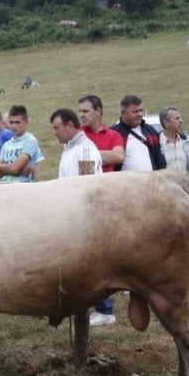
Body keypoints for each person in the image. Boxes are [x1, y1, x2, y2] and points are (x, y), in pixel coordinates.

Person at [77, 95, 125, 327]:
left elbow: (118, 156)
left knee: (106, 255)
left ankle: (105, 309)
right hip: (86, 200)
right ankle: (98, 306)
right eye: (80, 111)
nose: (82, 115)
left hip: (109, 200)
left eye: (86, 111)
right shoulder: (79, 134)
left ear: (98, 111)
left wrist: (90, 153)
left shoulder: (113, 135)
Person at [111, 95, 166, 172]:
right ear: (123, 113)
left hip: (151, 181)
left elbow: (160, 160)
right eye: (135, 112)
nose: (139, 114)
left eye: (141, 110)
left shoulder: (150, 131)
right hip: (123, 182)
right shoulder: (113, 133)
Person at [0, 104, 42, 182]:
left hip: (21, 189)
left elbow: (15, 169)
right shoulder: (6, 144)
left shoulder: (30, 140)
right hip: (3, 188)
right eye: (11, 122)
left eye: (17, 122)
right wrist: (18, 170)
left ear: (26, 122)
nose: (14, 126)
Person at [50, 108, 102, 177]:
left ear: (70, 125)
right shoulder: (68, 148)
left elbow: (87, 182)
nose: (54, 133)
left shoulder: (85, 149)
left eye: (57, 128)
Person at [158, 107, 189, 182]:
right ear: (166, 123)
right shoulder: (156, 143)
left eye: (180, 118)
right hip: (164, 189)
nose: (181, 121)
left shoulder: (185, 141)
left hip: (184, 189)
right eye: (177, 118)